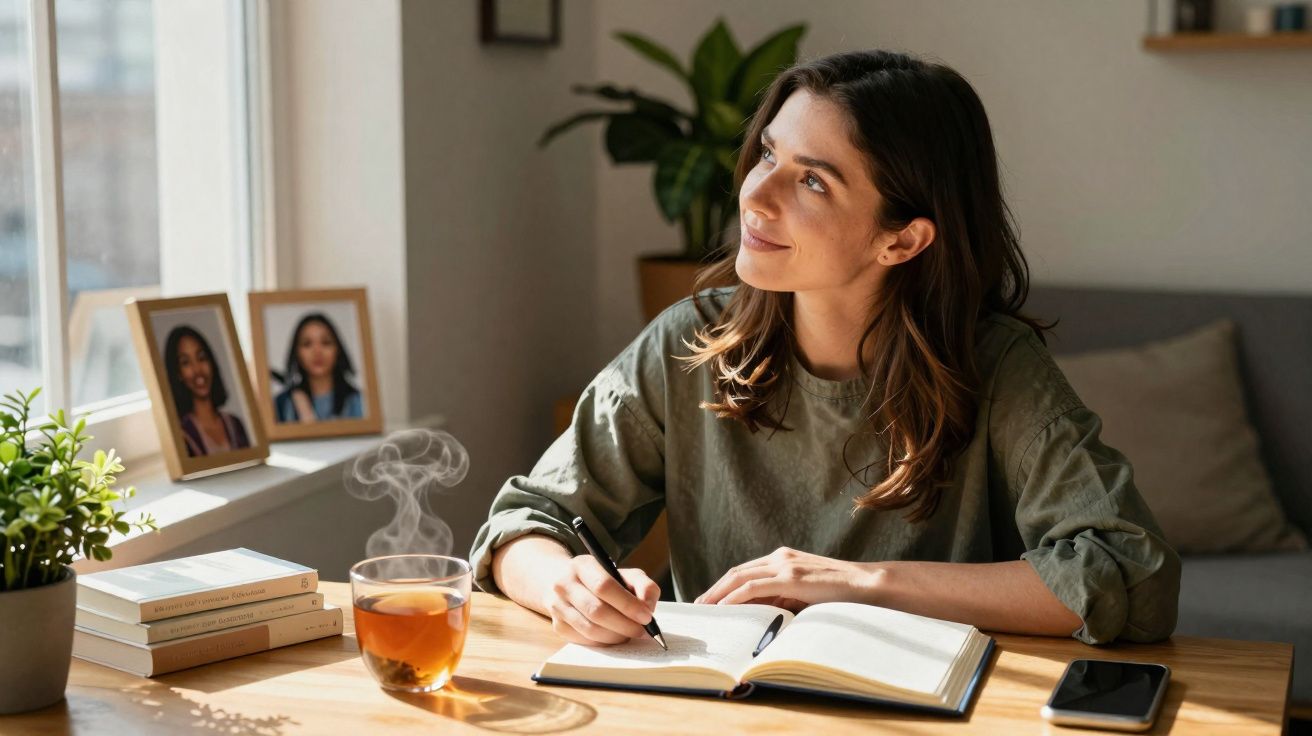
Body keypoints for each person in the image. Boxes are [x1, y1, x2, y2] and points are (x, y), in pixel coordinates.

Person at [470, 50, 1180, 649]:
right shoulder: (687, 343)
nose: (756, 195)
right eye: (770, 154)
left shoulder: (997, 367)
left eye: (812, 180)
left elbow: (1132, 572)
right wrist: (566, 583)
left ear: (901, 240)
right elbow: (521, 526)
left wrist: (858, 585)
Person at [163, 325, 251, 457]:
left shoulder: (235, 425)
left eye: (201, 358)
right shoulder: (182, 436)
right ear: (178, 373)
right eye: (186, 362)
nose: (198, 370)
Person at [273, 312, 364, 423]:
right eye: (307, 344)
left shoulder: (358, 401)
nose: (317, 352)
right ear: (296, 353)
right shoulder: (282, 403)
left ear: (338, 349)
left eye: (326, 343)